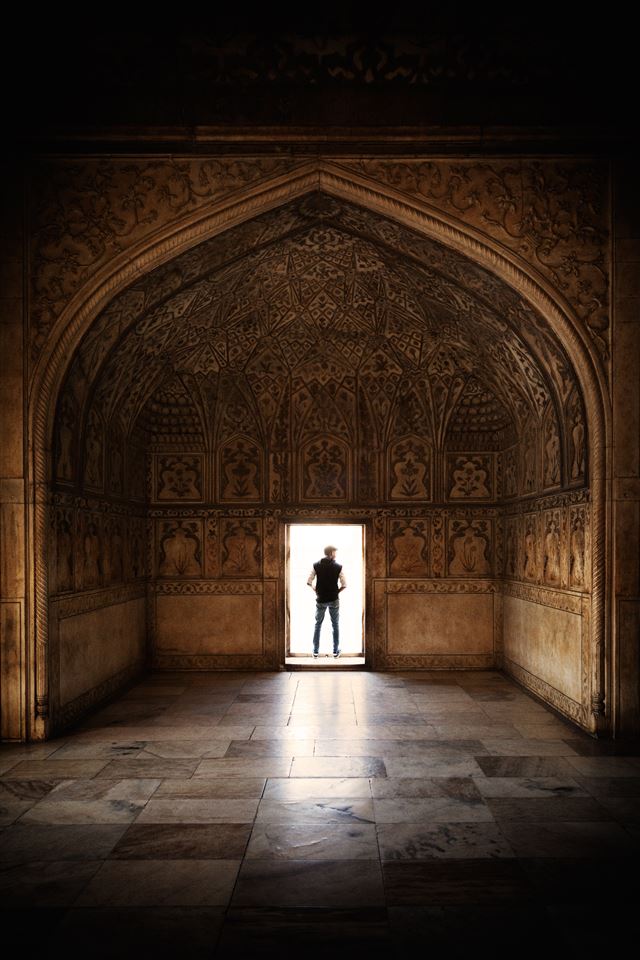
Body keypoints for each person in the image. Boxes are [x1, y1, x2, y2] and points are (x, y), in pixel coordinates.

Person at [307, 545, 346, 658]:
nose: (336, 554)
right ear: (331, 553)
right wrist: (336, 592)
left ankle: (315, 652)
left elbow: (309, 581)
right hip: (334, 599)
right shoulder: (339, 567)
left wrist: (316, 590)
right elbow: (344, 584)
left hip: (321, 599)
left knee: (317, 624)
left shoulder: (316, 565)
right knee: (335, 625)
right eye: (335, 552)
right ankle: (335, 651)